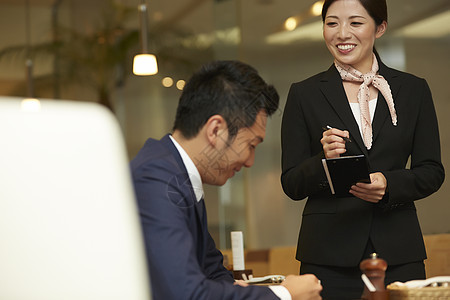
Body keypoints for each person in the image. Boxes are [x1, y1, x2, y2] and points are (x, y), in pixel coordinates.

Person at [280, 0, 445, 299]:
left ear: (379, 27)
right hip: (327, 256)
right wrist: (322, 160)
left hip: (399, 253)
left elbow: (432, 171)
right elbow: (291, 182)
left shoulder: (413, 90)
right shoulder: (304, 94)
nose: (342, 34)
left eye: (355, 23)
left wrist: (389, 184)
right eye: (332, 23)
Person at [131, 60, 322, 300]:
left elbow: (213, 272)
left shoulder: (180, 174)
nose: (250, 161)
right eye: (251, 145)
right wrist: (284, 295)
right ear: (216, 130)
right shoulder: (157, 180)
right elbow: (186, 293)